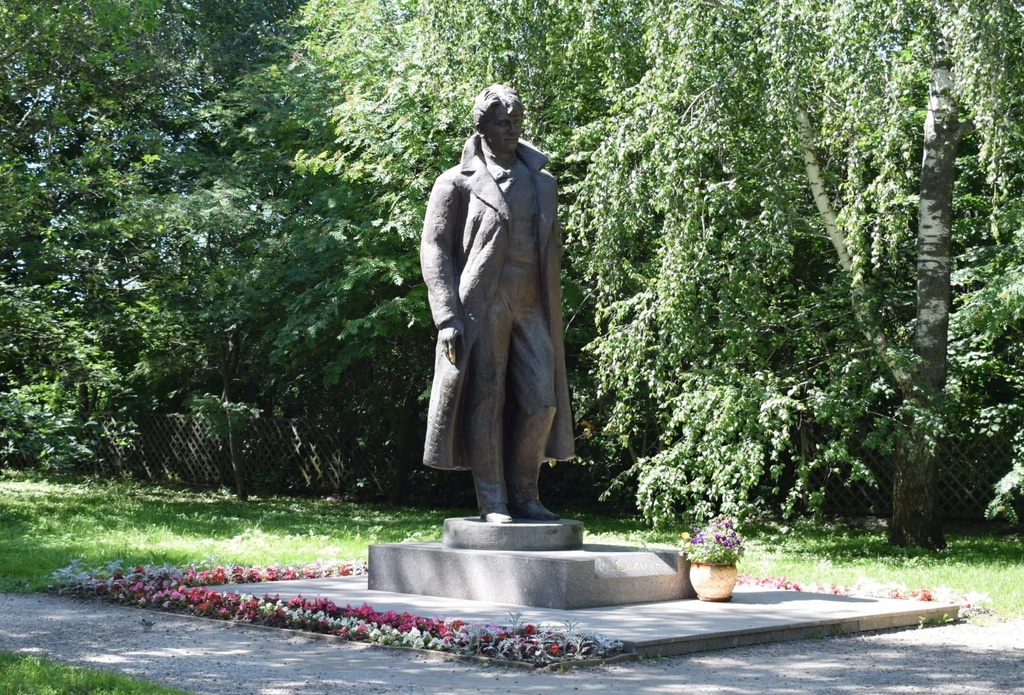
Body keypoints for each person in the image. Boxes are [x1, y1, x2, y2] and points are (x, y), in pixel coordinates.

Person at [420, 84, 574, 523]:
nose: (512, 130)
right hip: (482, 302)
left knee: (543, 401)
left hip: (532, 303)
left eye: (516, 122)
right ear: (482, 127)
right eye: (503, 122)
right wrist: (446, 316)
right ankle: (493, 500)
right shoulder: (456, 181)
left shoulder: (541, 181)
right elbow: (434, 247)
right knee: (486, 396)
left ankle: (525, 494)